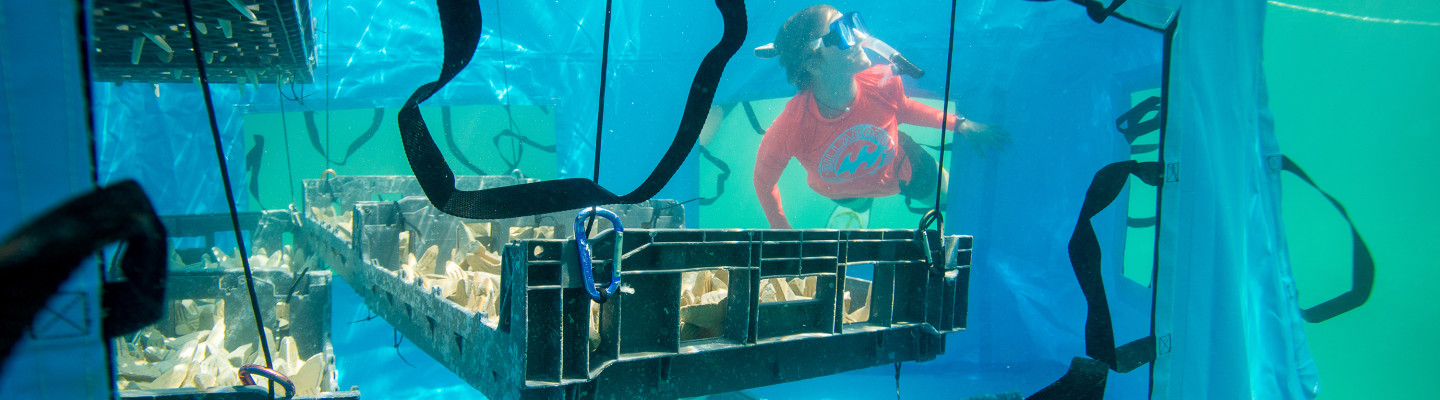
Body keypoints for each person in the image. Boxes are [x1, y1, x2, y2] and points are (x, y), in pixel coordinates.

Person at [753, 4, 1009, 229]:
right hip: (840, 189)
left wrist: (960, 124)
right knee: (854, 197)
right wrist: (779, 225)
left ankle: (861, 205)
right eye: (842, 32)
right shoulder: (790, 127)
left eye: (854, 24)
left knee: (952, 198)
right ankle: (861, 205)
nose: (860, 37)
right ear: (813, 64)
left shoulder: (882, 83)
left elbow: (904, 109)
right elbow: (763, 180)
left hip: (905, 169)